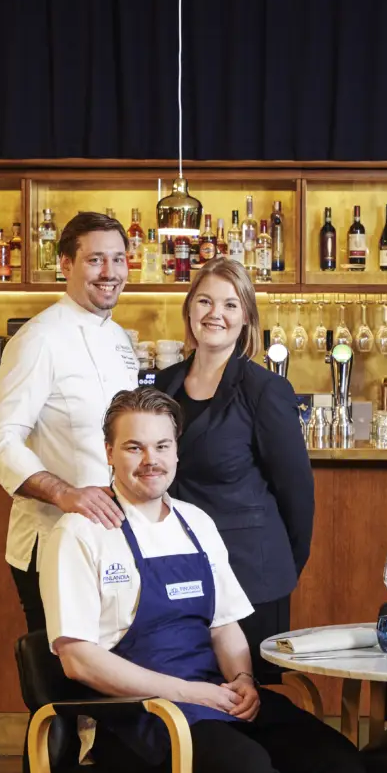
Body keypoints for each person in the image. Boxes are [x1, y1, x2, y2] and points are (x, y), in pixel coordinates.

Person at [42, 386, 363, 773]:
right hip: (138, 717)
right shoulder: (80, 533)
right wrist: (191, 693)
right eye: (134, 447)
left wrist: (242, 680)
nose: (151, 460)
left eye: (162, 446)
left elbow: (225, 626)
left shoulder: (197, 523)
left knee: (339, 766)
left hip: (214, 698)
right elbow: (78, 659)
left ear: (177, 451)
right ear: (109, 452)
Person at [0, 211, 144, 773]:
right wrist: (66, 494)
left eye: (118, 259)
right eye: (95, 260)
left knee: (102, 700)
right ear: (66, 265)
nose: (109, 272)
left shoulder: (121, 341)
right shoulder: (39, 338)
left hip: (108, 549)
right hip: (50, 546)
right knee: (57, 703)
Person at [153, 257, 314, 683]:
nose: (215, 314)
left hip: (250, 575)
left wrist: (282, 566)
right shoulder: (163, 385)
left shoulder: (265, 389)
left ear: (246, 318)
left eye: (229, 304)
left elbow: (297, 493)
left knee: (251, 698)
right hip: (180, 568)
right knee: (190, 688)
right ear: (189, 309)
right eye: (205, 301)